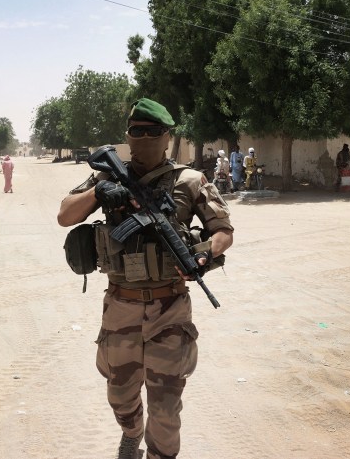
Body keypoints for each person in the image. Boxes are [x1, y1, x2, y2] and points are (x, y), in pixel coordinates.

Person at [57, 98, 234, 459]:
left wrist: (204, 254)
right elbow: (64, 215)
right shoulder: (107, 175)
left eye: (153, 132)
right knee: (120, 396)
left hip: (170, 306)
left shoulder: (190, 180)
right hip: (120, 303)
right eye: (137, 132)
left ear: (167, 136)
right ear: (128, 136)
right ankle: (131, 432)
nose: (145, 138)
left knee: (166, 410)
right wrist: (99, 192)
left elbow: (223, 230)